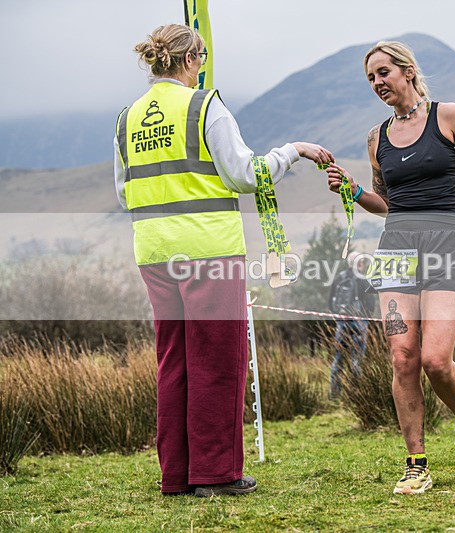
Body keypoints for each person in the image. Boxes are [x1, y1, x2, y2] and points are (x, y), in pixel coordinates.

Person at [114, 24, 333, 497]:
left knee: (173, 361)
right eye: (201, 58)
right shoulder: (204, 105)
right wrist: (293, 151)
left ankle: (176, 475)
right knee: (216, 360)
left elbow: (122, 190)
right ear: (191, 58)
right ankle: (215, 475)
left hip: (152, 250)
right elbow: (246, 173)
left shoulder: (126, 118)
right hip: (209, 250)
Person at [324, 40, 455, 494]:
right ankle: (416, 463)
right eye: (371, 78)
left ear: (407, 71)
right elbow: (386, 203)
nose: (377, 83)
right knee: (402, 358)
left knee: (436, 360)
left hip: (447, 243)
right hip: (396, 248)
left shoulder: (447, 116)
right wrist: (354, 190)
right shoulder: (377, 138)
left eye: (383, 73)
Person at [329, 251, 375, 399]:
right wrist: (366, 319)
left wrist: (339, 319)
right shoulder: (363, 280)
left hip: (342, 323)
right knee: (357, 359)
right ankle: (356, 394)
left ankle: (334, 393)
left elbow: (331, 302)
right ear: (360, 264)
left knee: (338, 358)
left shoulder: (339, 278)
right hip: (359, 322)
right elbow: (370, 304)